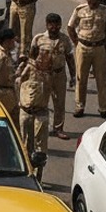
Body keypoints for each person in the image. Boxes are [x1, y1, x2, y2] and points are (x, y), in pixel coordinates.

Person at [68, 0, 106, 119]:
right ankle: (79, 106)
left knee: (101, 79)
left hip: (99, 47)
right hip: (83, 47)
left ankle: (103, 108)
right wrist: (76, 43)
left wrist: (105, 45)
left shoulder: (105, 10)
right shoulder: (80, 10)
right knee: (81, 78)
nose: (92, 1)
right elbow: (70, 27)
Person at [31, 12, 74, 140]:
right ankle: (39, 127)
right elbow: (32, 57)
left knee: (59, 103)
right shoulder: (39, 39)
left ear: (60, 25)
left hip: (59, 74)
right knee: (40, 102)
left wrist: (73, 76)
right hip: (43, 75)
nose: (54, 27)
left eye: (57, 24)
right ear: (47, 25)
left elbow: (70, 58)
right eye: (51, 24)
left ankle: (58, 128)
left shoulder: (65, 40)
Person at [16, 48, 53, 182]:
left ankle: (39, 175)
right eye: (41, 58)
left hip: (41, 113)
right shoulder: (27, 70)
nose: (44, 61)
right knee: (25, 144)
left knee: (40, 147)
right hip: (26, 112)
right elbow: (17, 81)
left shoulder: (49, 75)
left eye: (46, 59)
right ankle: (26, 172)